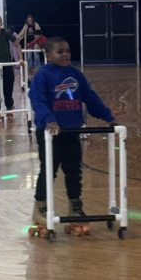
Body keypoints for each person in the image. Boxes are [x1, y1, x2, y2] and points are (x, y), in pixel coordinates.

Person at [28, 36, 114, 227]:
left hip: (71, 131)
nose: (65, 54)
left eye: (67, 51)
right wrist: (49, 119)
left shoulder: (76, 75)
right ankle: (40, 207)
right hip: (49, 134)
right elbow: (37, 100)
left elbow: (91, 98)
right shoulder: (43, 75)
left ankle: (75, 205)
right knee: (49, 171)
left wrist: (108, 116)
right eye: (60, 52)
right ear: (48, 55)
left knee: (74, 170)